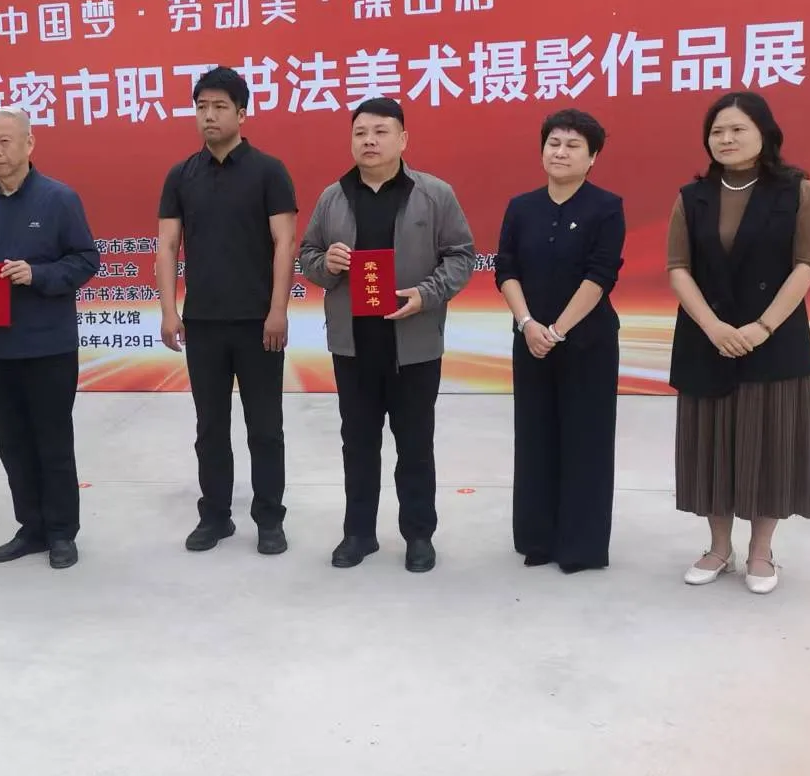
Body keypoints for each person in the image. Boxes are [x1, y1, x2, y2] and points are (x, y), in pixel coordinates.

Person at [298, 97, 475, 573]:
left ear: (403, 139)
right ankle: (358, 533)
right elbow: (307, 256)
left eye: (380, 132)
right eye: (360, 133)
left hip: (414, 345)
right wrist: (325, 263)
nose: (369, 141)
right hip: (353, 345)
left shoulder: (434, 194)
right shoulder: (333, 197)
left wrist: (426, 293)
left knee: (415, 445)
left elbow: (461, 256)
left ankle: (418, 535)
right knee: (357, 444)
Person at [668, 91, 810, 595]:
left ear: (764, 134)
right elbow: (678, 268)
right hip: (707, 338)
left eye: (737, 129)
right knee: (711, 447)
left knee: (769, 447)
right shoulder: (691, 197)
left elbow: (807, 265)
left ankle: (761, 550)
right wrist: (713, 327)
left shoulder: (797, 191)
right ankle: (719, 548)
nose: (727, 139)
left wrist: (762, 327)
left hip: (774, 339)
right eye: (717, 131)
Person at [157, 66, 298, 556]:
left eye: (219, 107)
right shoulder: (181, 175)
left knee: (265, 428)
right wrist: (169, 311)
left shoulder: (269, 171)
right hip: (203, 323)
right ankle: (215, 516)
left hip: (259, 324)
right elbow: (167, 245)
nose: (209, 116)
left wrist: (278, 310)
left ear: (241, 113)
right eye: (202, 107)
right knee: (210, 427)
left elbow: (285, 243)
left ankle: (270, 519)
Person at [0, 109, 99, 570]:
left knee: (52, 440)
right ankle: (31, 527)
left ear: (29, 144)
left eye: (5, 141)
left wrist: (38, 275)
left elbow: (86, 259)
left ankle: (62, 532)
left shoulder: (59, 199)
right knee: (11, 441)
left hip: (49, 345)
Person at [495, 109, 626, 573]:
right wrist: (528, 323)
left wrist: (557, 331)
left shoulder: (606, 207)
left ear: (592, 157)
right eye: (554, 143)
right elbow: (506, 269)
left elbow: (600, 276)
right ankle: (538, 538)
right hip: (530, 340)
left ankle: (580, 546)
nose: (561, 152)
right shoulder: (521, 207)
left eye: (573, 145)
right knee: (535, 438)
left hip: (588, 343)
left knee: (585, 441)